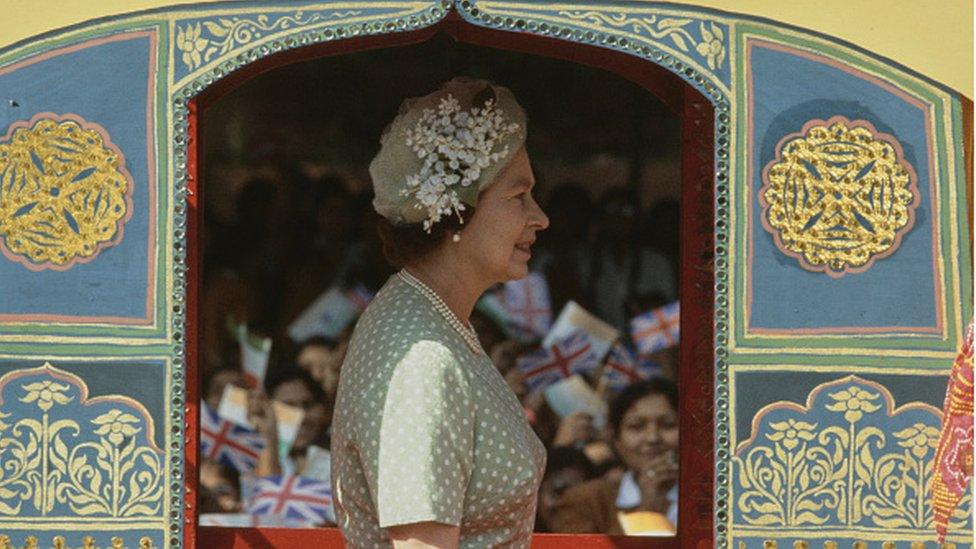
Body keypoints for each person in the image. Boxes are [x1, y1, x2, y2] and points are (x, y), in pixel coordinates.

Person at [331, 78, 550, 548]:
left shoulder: (437, 322)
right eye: (518, 196)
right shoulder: (423, 358)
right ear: (459, 211)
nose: (539, 217)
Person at [548, 378, 679, 535]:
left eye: (668, 425)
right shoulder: (588, 501)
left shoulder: (711, 497)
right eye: (636, 426)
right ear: (616, 439)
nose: (652, 438)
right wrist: (648, 508)